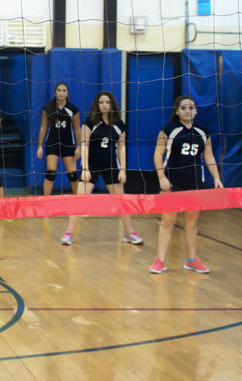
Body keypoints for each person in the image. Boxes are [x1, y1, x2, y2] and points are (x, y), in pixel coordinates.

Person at [150, 95, 223, 274]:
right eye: (183, 108)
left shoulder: (203, 132)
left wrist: (217, 177)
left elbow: (209, 157)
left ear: (196, 111)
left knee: (192, 222)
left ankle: (191, 260)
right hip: (172, 181)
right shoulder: (169, 130)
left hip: (195, 182)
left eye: (191, 108)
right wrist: (161, 177)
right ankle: (160, 260)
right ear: (177, 111)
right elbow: (158, 154)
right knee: (168, 221)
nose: (188, 111)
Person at [61, 91, 143, 246]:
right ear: (97, 105)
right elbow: (84, 145)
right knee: (79, 200)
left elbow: (121, 147)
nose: (105, 105)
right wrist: (85, 168)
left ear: (112, 105)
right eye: (102, 102)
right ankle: (68, 233)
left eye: (107, 102)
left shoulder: (119, 125)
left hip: (111, 165)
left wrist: (123, 170)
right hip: (91, 164)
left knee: (121, 200)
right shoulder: (90, 122)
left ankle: (129, 233)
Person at [36, 83, 79, 196]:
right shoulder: (48, 108)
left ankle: (78, 200)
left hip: (68, 143)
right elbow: (43, 127)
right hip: (52, 143)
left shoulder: (73, 110)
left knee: (72, 174)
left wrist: (79, 147)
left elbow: (77, 130)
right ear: (55, 93)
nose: (61, 93)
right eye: (59, 90)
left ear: (67, 93)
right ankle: (46, 201)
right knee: (51, 172)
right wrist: (40, 146)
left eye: (64, 90)